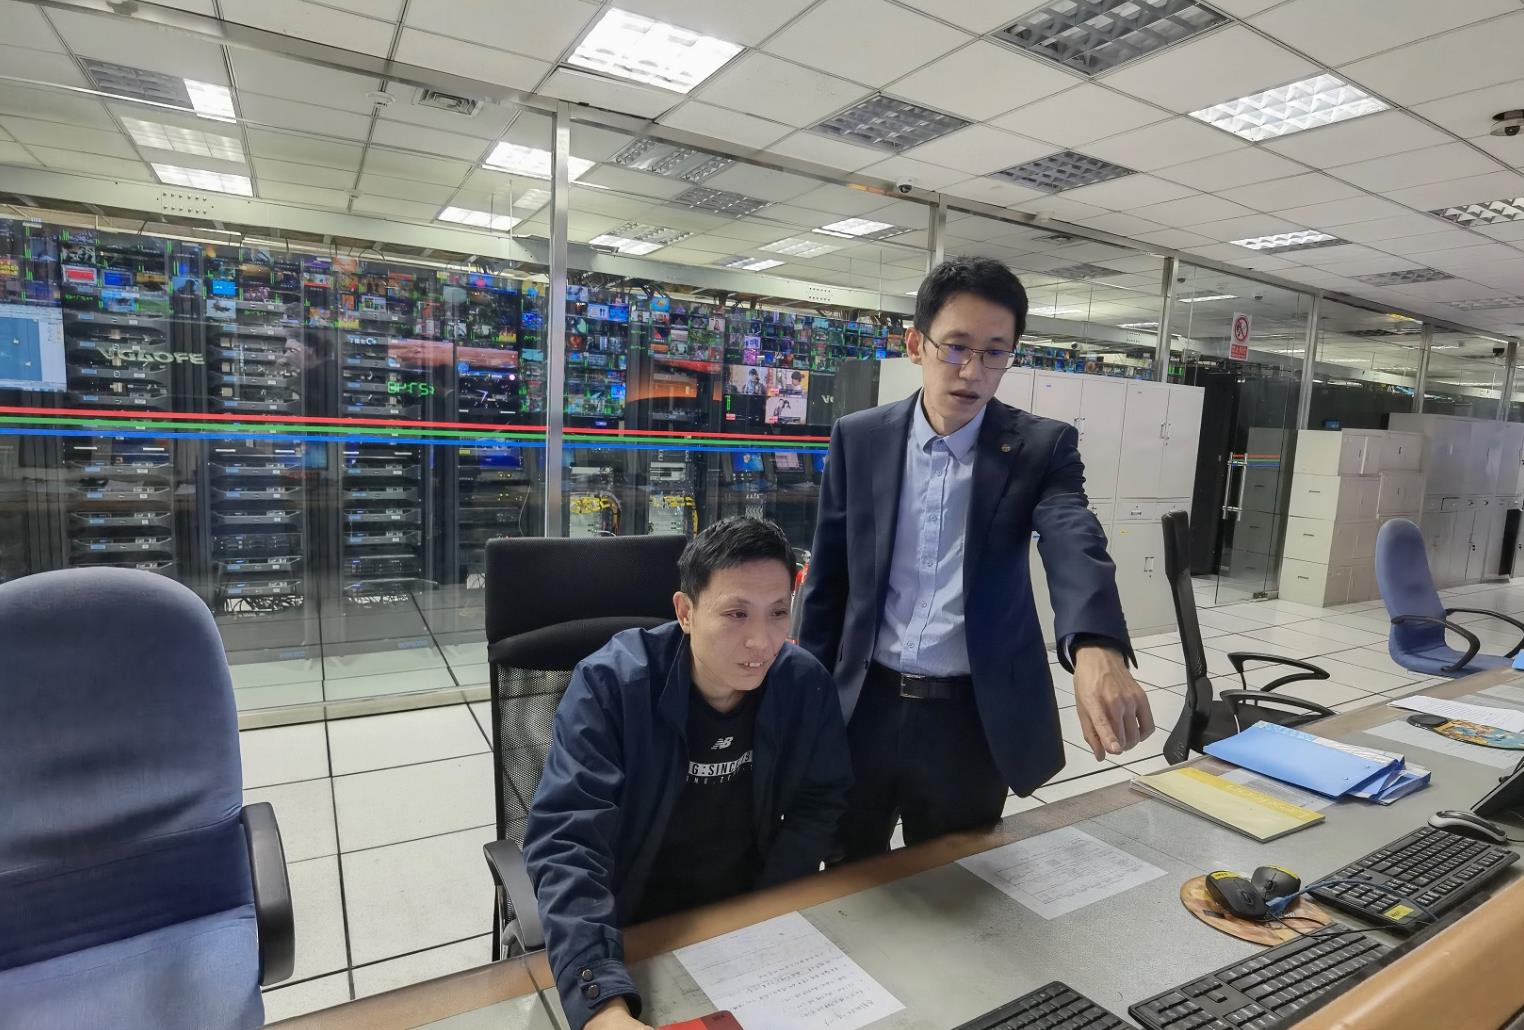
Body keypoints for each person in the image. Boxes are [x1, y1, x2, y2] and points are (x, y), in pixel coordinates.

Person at [799, 256, 1154, 860]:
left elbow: (1072, 533)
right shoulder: (861, 437)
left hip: (970, 718)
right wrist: (801, 697)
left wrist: (1097, 644)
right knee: (844, 873)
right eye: (956, 347)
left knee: (958, 883)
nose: (972, 372)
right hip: (862, 705)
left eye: (994, 352)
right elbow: (829, 581)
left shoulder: (1040, 447)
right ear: (916, 344)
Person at [523, 518, 852, 1030]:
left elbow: (821, 800)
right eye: (736, 614)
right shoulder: (610, 687)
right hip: (631, 923)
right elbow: (568, 841)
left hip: (745, 917)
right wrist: (603, 1006)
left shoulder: (803, 683)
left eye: (777, 613)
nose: (761, 641)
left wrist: (770, 909)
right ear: (686, 612)